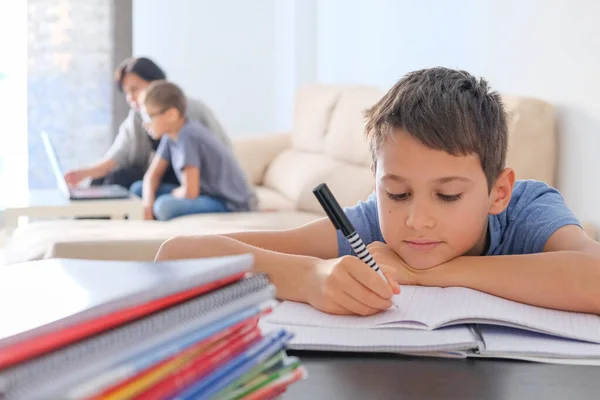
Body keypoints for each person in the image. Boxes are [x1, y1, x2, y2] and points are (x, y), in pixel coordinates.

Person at [153, 67, 600, 317]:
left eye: (447, 196)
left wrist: (429, 274)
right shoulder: (366, 226)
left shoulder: (527, 209)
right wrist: (308, 278)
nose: (416, 221)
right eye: (397, 193)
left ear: (498, 192)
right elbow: (176, 255)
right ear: (376, 181)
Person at [64, 57, 231, 189]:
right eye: (126, 92)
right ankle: (88, 227)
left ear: (157, 84)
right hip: (156, 175)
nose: (130, 98)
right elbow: (115, 157)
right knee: (102, 179)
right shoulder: (136, 118)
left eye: (135, 89)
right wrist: (82, 174)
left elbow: (223, 151)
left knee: (120, 178)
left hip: (190, 179)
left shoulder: (193, 110)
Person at [131, 80, 255, 221]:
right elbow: (152, 176)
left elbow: (190, 192)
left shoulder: (188, 136)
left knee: (163, 206)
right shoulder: (170, 136)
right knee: (138, 189)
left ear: (171, 114)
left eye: (148, 117)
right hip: (202, 195)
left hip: (226, 203)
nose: (144, 123)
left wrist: (170, 194)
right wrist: (148, 203)